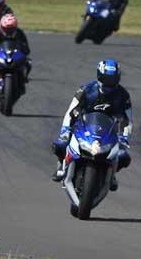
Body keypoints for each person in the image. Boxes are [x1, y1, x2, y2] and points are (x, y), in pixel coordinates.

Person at [51, 59, 133, 191]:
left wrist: (124, 138)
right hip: (83, 126)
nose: (109, 83)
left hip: (107, 131)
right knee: (60, 145)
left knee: (124, 157)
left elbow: (127, 119)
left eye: (112, 80)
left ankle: (111, 174)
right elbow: (70, 111)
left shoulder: (123, 95)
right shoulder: (86, 90)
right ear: (99, 76)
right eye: (106, 79)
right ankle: (62, 165)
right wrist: (65, 130)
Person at [0, 14, 32, 89]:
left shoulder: (19, 33)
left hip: (14, 53)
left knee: (28, 63)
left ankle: (24, 77)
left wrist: (23, 50)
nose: (9, 31)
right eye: (6, 29)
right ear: (2, 26)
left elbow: (25, 46)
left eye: (11, 29)